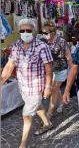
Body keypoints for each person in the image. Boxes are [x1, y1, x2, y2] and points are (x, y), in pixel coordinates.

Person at [1, 18, 53, 148]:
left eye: (28, 30)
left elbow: (49, 69)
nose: (25, 33)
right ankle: (47, 123)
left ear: (34, 31)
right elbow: (9, 65)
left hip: (36, 87)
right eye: (22, 31)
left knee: (27, 114)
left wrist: (48, 86)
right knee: (36, 105)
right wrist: (1, 81)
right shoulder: (16, 46)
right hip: (23, 86)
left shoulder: (42, 47)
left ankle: (23, 144)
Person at [41, 21, 73, 119]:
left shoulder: (61, 41)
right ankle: (61, 102)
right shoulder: (43, 41)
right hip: (50, 70)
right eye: (42, 32)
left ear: (53, 33)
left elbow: (68, 56)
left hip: (61, 68)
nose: (44, 35)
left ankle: (49, 112)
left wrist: (72, 71)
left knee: (54, 89)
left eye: (46, 33)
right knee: (56, 88)